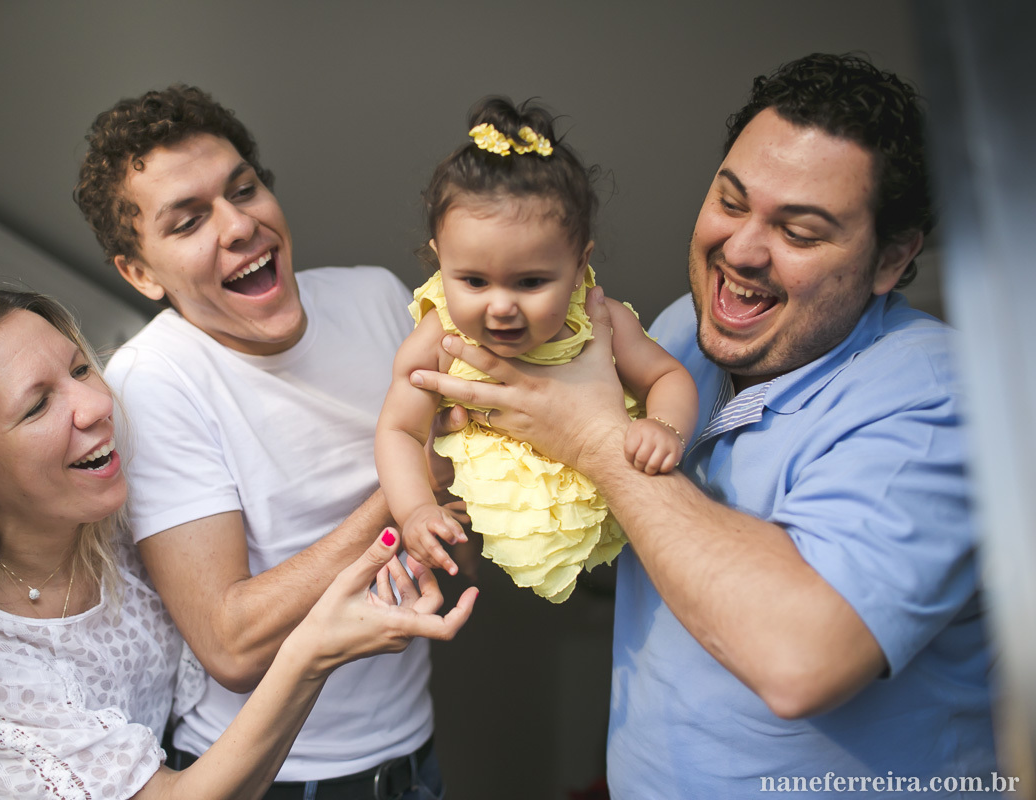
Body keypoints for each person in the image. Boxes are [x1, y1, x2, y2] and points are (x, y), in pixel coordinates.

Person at [409, 54, 998, 796]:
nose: (742, 250)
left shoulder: (941, 400)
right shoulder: (684, 330)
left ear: (893, 258)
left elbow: (802, 660)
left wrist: (596, 443)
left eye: (801, 231)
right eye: (731, 200)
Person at [0, 282, 475, 800]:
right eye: (38, 406)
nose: (93, 405)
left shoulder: (104, 522)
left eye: (81, 368)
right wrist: (312, 651)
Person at [74, 85, 460, 797]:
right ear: (139, 272)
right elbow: (231, 642)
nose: (238, 225)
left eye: (243, 190)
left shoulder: (377, 297)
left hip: (412, 752)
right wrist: (414, 487)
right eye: (188, 222)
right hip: (274, 778)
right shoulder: (153, 383)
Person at [376, 97, 697, 603]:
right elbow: (399, 428)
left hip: (614, 509)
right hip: (493, 530)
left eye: (530, 282)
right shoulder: (437, 339)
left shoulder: (598, 321)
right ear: (442, 261)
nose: (501, 306)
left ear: (577, 263)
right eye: (474, 281)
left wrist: (665, 425)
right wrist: (414, 508)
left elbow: (666, 377)